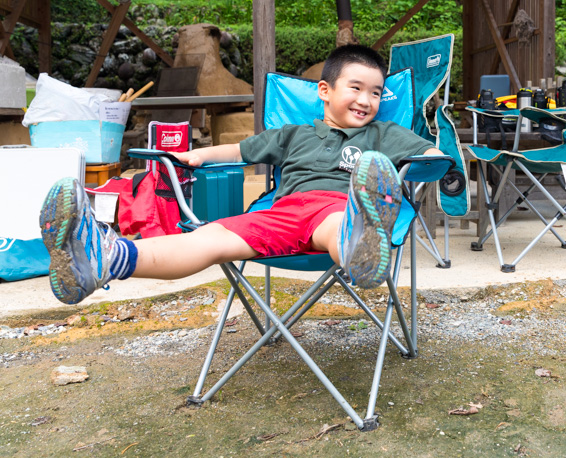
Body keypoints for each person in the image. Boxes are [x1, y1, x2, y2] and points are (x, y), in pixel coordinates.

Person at [40, 45, 442, 305]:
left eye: (376, 92)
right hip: (281, 211)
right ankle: (104, 259)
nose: (367, 100)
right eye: (356, 88)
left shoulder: (384, 133)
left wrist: (439, 157)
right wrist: (196, 155)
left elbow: (430, 155)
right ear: (324, 90)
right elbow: (240, 150)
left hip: (341, 207)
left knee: (338, 224)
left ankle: (361, 251)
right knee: (209, 237)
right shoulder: (294, 134)